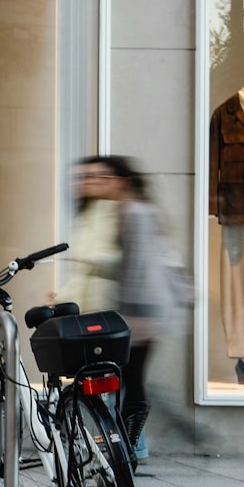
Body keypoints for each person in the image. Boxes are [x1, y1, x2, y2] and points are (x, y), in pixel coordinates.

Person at [62, 156, 184, 459]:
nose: (99, 184)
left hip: (139, 312)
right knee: (127, 379)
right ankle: (130, 446)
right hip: (132, 311)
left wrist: (127, 314)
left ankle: (132, 447)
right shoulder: (120, 211)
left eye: (105, 178)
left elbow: (140, 270)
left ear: (121, 181)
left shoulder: (134, 212)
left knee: (130, 380)